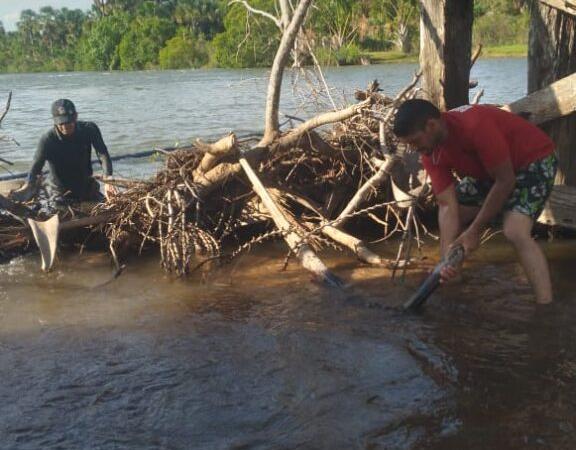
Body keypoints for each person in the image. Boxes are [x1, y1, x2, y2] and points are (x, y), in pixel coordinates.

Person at [393, 99, 557, 304]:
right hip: (491, 173)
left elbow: (506, 181)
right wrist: (444, 264)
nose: (414, 149)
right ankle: (455, 275)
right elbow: (447, 205)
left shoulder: (474, 126)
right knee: (457, 214)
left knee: (514, 231)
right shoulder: (430, 152)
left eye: (415, 141)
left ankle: (545, 307)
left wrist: (474, 231)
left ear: (432, 125)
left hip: (533, 161)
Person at [10, 98, 117, 208]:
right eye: (61, 123)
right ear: (54, 121)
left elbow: (102, 153)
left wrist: (108, 179)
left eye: (68, 122)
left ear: (76, 117)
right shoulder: (48, 139)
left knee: (109, 209)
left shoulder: (89, 129)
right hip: (59, 192)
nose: (65, 127)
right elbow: (36, 165)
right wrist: (28, 184)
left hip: (86, 187)